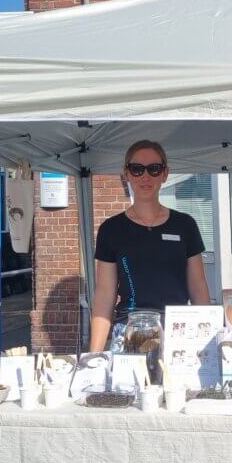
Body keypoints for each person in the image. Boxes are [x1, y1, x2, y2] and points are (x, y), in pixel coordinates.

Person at [89, 140, 211, 351]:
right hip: (129, 329)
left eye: (154, 169)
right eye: (137, 169)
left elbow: (199, 289)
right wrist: (94, 355)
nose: (145, 176)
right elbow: (105, 295)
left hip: (178, 331)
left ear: (165, 174)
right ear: (126, 174)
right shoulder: (111, 229)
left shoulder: (185, 225)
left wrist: (209, 342)